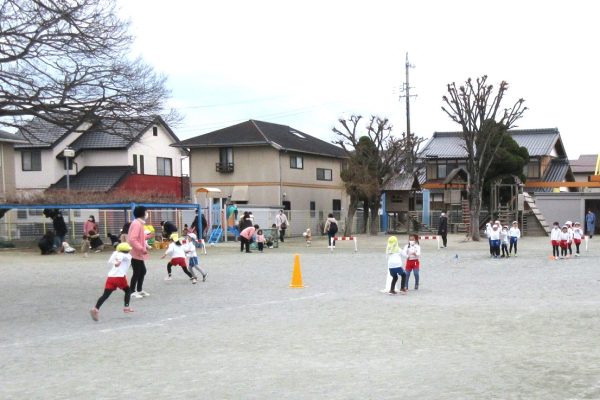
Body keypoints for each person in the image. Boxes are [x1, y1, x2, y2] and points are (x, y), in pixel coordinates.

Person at [90, 242, 135, 321]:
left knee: (105, 295)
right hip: (119, 277)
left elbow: (113, 259)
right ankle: (126, 307)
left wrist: (117, 262)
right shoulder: (127, 255)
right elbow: (122, 257)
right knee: (128, 291)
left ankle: (96, 308)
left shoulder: (115, 254)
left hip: (110, 277)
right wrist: (118, 262)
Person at [128, 206, 151, 299]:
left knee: (142, 271)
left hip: (138, 253)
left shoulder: (138, 223)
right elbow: (132, 239)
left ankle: (139, 290)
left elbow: (138, 237)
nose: (147, 214)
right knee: (137, 272)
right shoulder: (137, 224)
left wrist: (146, 237)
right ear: (142, 213)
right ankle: (132, 291)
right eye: (146, 212)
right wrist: (142, 248)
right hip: (135, 253)